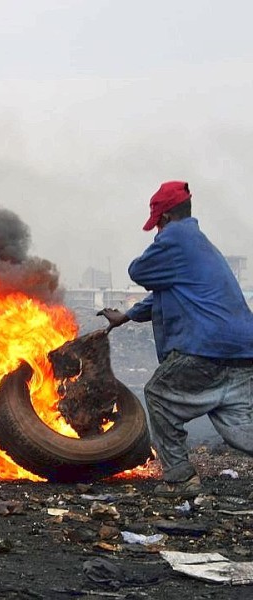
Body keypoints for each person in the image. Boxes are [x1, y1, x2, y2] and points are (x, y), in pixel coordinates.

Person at [98, 181, 253, 498]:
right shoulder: (200, 246)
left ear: (164, 218)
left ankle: (181, 479)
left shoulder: (176, 238)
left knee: (157, 393)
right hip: (242, 350)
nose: (156, 231)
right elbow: (165, 295)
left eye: (156, 225)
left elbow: (139, 271)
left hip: (207, 347)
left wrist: (160, 243)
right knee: (238, 427)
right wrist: (126, 316)